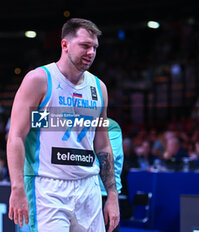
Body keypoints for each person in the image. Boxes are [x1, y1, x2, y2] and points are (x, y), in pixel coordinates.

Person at [7, 18, 119, 232]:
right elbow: (16, 136)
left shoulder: (99, 88)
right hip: (48, 188)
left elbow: (103, 146)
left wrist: (112, 196)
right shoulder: (39, 80)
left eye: (95, 47)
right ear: (65, 45)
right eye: (85, 46)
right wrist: (17, 187)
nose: (91, 52)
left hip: (89, 188)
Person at [100, 118, 123, 232]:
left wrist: (112, 196)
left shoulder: (111, 126)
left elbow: (106, 161)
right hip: (80, 192)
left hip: (104, 195)